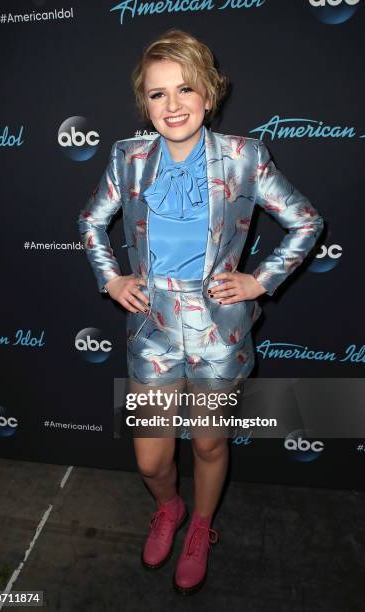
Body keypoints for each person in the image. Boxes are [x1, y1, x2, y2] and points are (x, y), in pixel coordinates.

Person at [77, 29, 324, 595]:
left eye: (186, 89)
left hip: (220, 327)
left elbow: (306, 221)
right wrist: (110, 277)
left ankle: (202, 526)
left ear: (209, 95)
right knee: (149, 458)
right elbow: (90, 221)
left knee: (211, 443)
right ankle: (169, 508)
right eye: (158, 94)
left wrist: (259, 280)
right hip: (151, 324)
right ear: (146, 103)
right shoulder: (128, 158)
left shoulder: (244, 155)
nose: (173, 105)